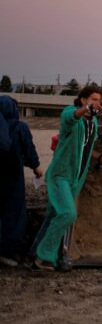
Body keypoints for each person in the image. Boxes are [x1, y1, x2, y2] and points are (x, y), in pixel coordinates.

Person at [30, 87, 102, 270]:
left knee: (53, 215)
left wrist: (99, 157)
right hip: (60, 174)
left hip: (76, 177)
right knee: (68, 213)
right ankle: (45, 257)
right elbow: (71, 117)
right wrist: (85, 110)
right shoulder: (70, 113)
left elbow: (86, 145)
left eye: (99, 100)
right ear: (83, 99)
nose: (97, 103)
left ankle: (34, 253)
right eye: (93, 99)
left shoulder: (93, 122)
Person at [0, 97, 43, 266]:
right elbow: (28, 150)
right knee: (13, 212)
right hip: (12, 176)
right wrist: (36, 167)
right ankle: (6, 252)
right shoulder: (20, 127)